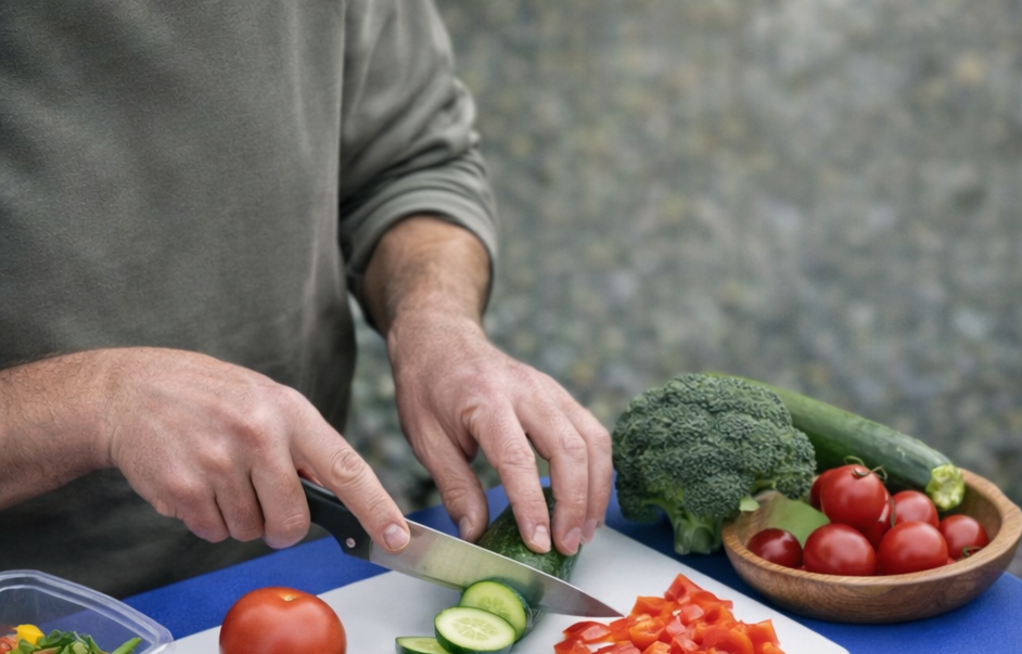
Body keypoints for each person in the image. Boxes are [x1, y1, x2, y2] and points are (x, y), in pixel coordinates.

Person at [0, 0, 612, 598]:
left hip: (298, 562)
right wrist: (100, 405)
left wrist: (435, 322)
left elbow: (409, 162)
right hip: (31, 626)